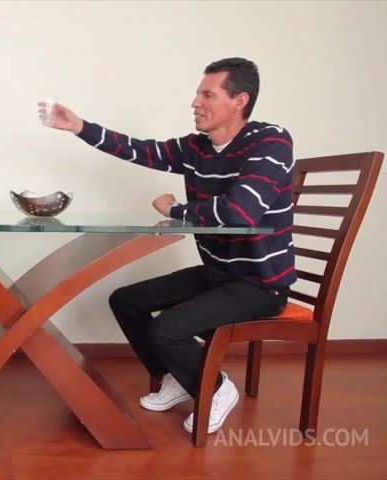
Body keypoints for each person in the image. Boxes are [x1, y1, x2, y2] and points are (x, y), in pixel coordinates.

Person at [41, 58, 295, 435]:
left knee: (166, 330)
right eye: (197, 94)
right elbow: (141, 150)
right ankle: (177, 375)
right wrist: (79, 126)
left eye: (207, 94)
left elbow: (240, 211)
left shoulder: (270, 141)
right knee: (125, 301)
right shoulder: (197, 148)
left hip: (259, 283)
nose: (195, 102)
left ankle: (216, 388)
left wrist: (174, 209)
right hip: (217, 273)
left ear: (239, 100)